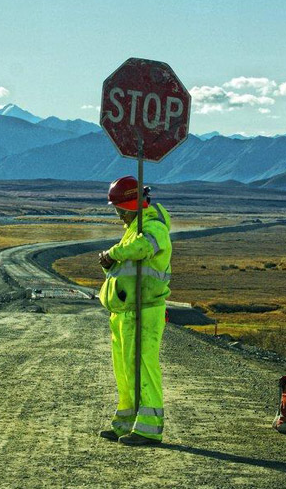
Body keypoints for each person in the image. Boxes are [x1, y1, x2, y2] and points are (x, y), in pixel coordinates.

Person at [97, 175, 172, 446]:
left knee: (144, 367)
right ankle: (125, 423)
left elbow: (143, 248)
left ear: (130, 205)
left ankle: (149, 429)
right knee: (125, 370)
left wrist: (114, 253)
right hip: (126, 312)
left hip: (145, 310)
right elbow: (128, 266)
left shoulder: (153, 225)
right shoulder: (134, 226)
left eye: (119, 209)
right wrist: (110, 264)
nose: (118, 215)